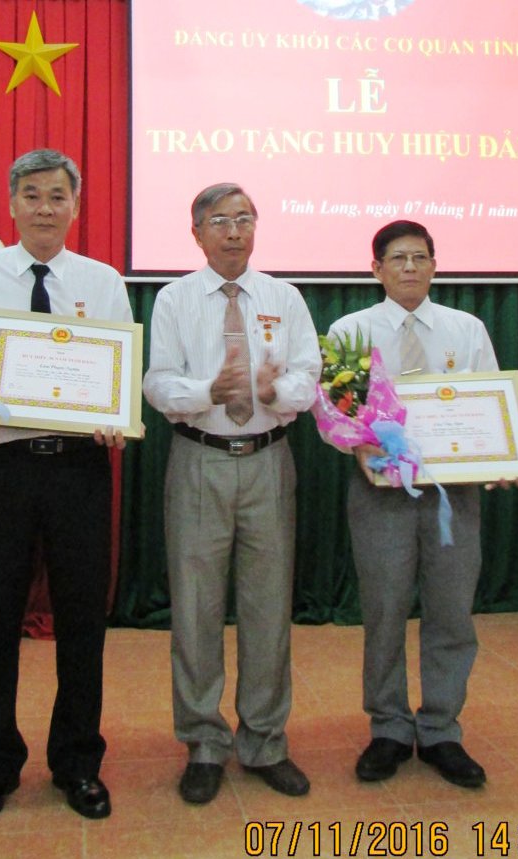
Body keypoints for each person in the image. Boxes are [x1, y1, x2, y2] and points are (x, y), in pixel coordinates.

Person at [0, 149, 133, 828]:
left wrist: (115, 414)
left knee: (82, 620)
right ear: (11, 204)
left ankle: (77, 761)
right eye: (32, 195)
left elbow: (119, 370)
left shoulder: (103, 281)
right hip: (2, 468)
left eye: (57, 196)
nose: (45, 208)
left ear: (75, 206)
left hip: (80, 468)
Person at [143, 183, 321, 804]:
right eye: (220, 221)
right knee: (195, 608)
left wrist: (272, 392)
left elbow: (308, 376)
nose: (234, 231)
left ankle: (265, 741)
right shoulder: (174, 299)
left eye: (244, 219)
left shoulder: (284, 297)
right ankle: (203, 743)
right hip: (200, 460)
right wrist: (207, 393)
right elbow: (158, 382)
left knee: (269, 607)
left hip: (269, 461)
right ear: (196, 233)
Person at [325, 219, 503, 789]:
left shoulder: (466, 329)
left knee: (452, 610)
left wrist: (505, 454)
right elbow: (336, 416)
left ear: (434, 266)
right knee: (384, 611)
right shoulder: (350, 331)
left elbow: (490, 405)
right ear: (375, 269)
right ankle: (389, 728)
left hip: (454, 495)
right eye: (397, 258)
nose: (409, 267)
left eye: (419, 257)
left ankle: (442, 729)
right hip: (380, 492)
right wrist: (360, 446)